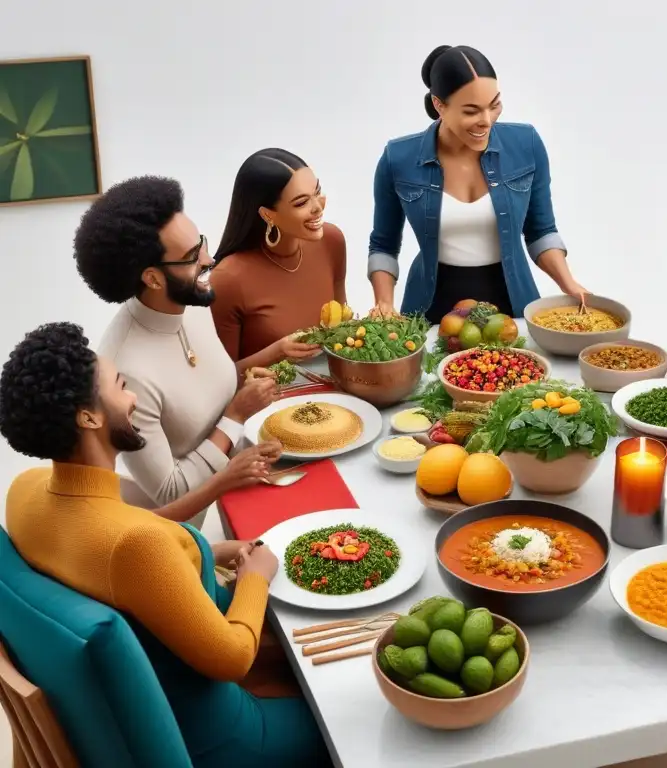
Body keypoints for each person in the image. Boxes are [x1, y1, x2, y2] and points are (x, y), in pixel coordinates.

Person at [0, 322, 330, 767]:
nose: (133, 397)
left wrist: (207, 552)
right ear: (89, 417)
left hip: (146, 702)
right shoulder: (138, 547)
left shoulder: (26, 491)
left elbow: (106, 546)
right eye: (120, 386)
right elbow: (233, 659)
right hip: (223, 735)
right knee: (352, 711)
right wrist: (256, 577)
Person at [75, 175, 280, 515]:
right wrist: (236, 415)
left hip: (249, 476)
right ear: (152, 278)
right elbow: (170, 494)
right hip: (201, 525)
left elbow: (208, 388)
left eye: (201, 242)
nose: (209, 259)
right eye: (191, 256)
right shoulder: (126, 369)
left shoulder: (190, 304)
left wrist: (275, 354)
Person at [367, 45, 586, 322]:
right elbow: (384, 245)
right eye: (471, 111)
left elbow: (541, 230)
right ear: (439, 105)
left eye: (494, 105)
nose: (486, 121)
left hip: (513, 306)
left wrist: (568, 284)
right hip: (430, 309)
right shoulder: (398, 158)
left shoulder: (526, 144)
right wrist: (384, 303)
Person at [211, 148, 345, 368]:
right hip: (270, 399)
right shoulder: (228, 279)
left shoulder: (332, 241)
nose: (318, 207)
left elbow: (341, 327)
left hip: (334, 390)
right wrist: (276, 353)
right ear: (267, 214)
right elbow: (217, 381)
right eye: (301, 203)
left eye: (317, 191)